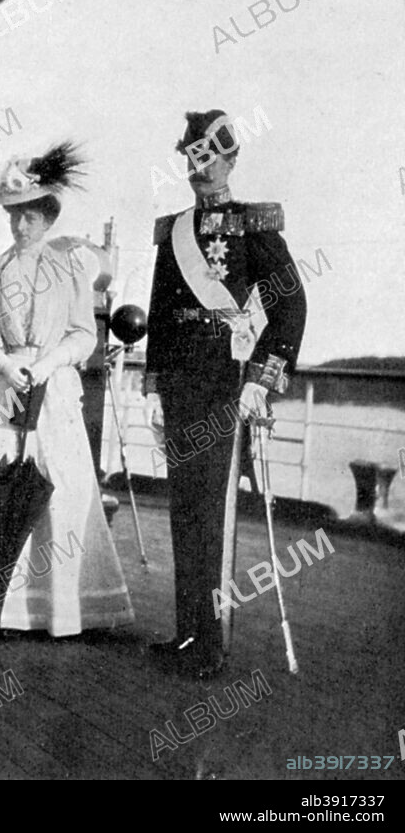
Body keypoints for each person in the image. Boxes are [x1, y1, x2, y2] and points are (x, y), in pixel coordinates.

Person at [144, 110, 307, 677]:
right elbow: (162, 313)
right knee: (183, 510)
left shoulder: (254, 226)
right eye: (192, 158)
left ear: (232, 160)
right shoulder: (175, 231)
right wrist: (153, 383)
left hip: (225, 385)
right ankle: (188, 634)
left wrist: (263, 378)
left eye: (209, 158)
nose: (199, 169)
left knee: (213, 515)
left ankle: (211, 644)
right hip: (182, 385)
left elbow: (290, 305)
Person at [0, 142, 134, 637]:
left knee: (57, 490)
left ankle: (54, 609)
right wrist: (1, 362)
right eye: (14, 215)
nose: (20, 226)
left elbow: (84, 334)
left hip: (53, 390)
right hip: (0, 386)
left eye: (30, 217)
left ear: (48, 218)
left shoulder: (72, 269)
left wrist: (47, 363)